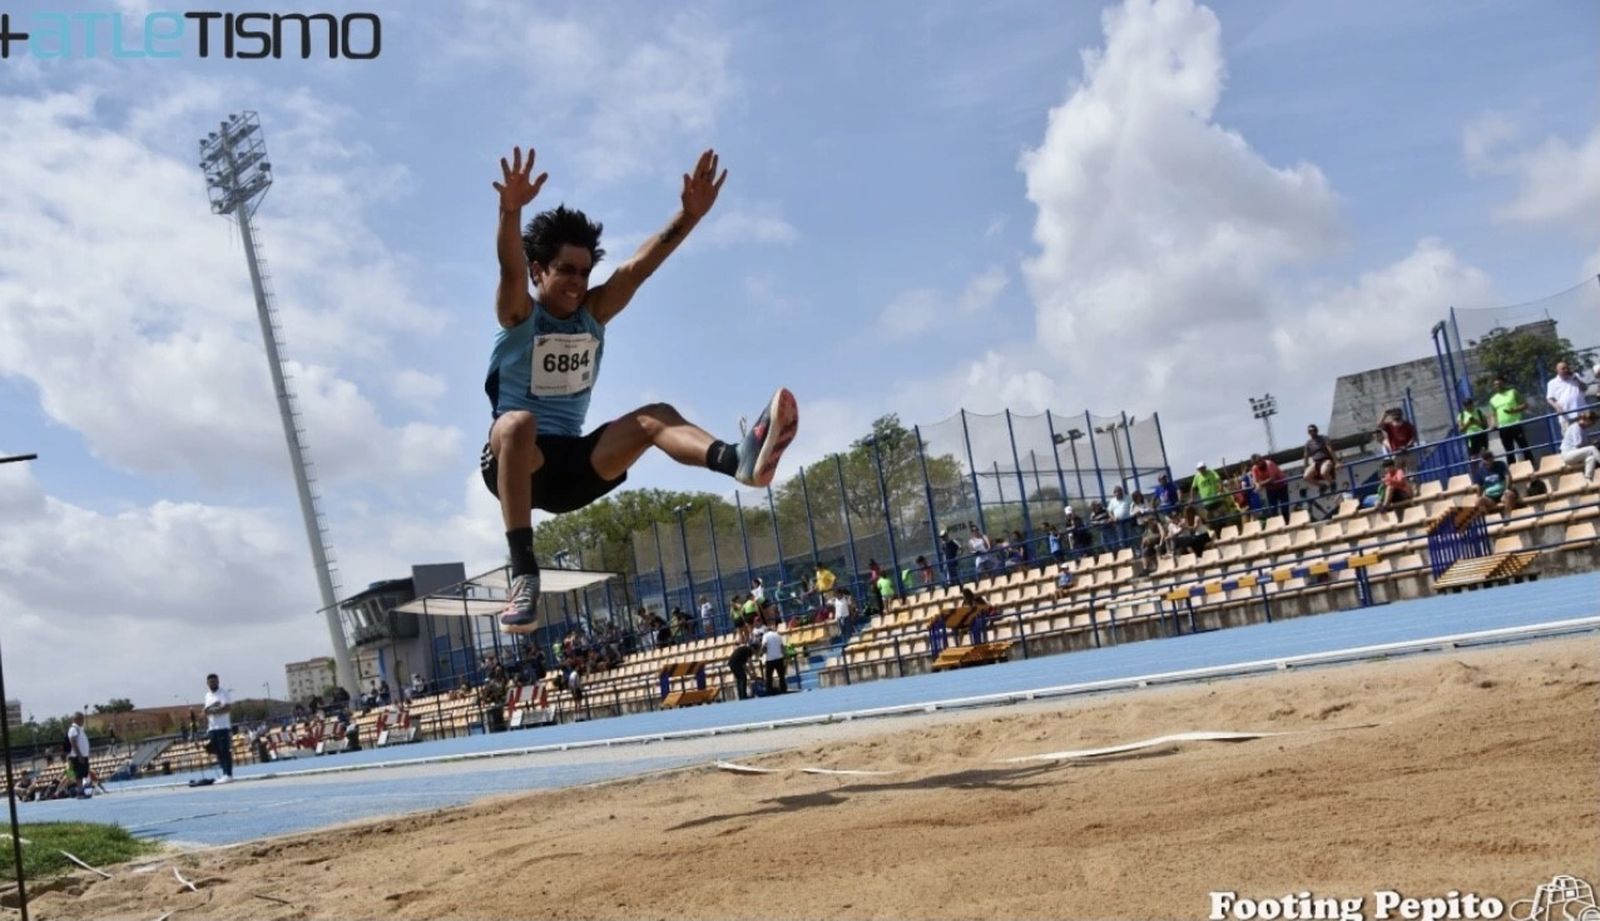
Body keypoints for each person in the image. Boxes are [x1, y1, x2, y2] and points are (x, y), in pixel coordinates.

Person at [483, 145, 799, 634]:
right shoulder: (520, 315)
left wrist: (689, 217)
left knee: (655, 415)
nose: (577, 282)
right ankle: (524, 575)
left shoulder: (593, 314)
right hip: (518, 463)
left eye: (584, 272)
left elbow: (640, 267)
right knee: (518, 423)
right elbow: (508, 267)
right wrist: (510, 211)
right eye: (565, 270)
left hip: (574, 468)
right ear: (538, 271)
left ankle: (737, 460)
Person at [1488, 375, 1536, 465]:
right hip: (1503, 427)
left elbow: (1525, 405)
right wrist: (1493, 424)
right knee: (1509, 451)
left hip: (1515, 424)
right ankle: (1512, 469)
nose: (1498, 386)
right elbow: (1493, 414)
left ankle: (1532, 466)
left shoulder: (1512, 392)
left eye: (1499, 383)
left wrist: (1514, 410)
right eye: (1495, 384)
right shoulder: (1493, 399)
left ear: (1504, 383)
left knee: (1524, 447)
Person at [202, 673, 234, 784]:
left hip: (222, 727)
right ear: (207, 683)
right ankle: (224, 774)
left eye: (215, 681)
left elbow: (227, 708)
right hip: (212, 728)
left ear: (218, 682)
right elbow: (206, 711)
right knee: (217, 752)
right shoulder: (207, 696)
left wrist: (213, 711)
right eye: (211, 682)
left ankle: (228, 774)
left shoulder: (223, 693)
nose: (213, 683)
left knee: (225, 750)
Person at [1472, 448, 1520, 515]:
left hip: (1503, 493)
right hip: (1490, 497)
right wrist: (1479, 496)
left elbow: (1508, 477)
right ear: (1482, 460)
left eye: (1489, 457)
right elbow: (1479, 486)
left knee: (1509, 494)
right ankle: (1490, 518)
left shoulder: (1501, 464)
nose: (1488, 460)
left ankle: (1508, 516)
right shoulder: (1480, 471)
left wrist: (1507, 489)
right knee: (1478, 502)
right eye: (1485, 458)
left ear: (1493, 457)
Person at [1559, 410, 1600, 481]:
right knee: (1592, 448)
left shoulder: (1583, 429)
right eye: (1592, 422)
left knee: (1591, 458)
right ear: (1587, 420)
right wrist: (1591, 445)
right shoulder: (1576, 427)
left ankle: (1588, 480)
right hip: (1568, 454)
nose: (1593, 424)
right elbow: (1579, 445)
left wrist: (1594, 443)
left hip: (1576, 454)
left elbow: (1585, 445)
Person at [1303, 424, 1338, 494]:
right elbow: (1306, 456)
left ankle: (1332, 483)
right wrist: (1305, 467)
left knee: (1323, 472)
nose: (1312, 432)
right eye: (1310, 431)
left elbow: (1330, 449)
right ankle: (1322, 486)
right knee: (1306, 476)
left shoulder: (1324, 438)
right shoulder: (1308, 443)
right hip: (1315, 462)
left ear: (1316, 431)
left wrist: (1337, 462)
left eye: (1313, 430)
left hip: (1326, 459)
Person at [66, 712, 91, 799]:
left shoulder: (79, 729)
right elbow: (73, 742)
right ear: (77, 719)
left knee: (82, 774)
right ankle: (80, 793)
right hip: (78, 756)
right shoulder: (73, 729)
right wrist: (79, 755)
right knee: (79, 775)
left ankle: (81, 791)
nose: (83, 721)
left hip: (82, 756)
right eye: (81, 719)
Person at [761, 626, 788, 695]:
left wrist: (762, 653)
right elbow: (782, 646)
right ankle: (783, 689)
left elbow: (764, 645)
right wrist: (785, 656)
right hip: (779, 658)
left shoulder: (765, 636)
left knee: (769, 677)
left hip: (770, 659)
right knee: (781, 676)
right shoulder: (778, 635)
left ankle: (769, 691)